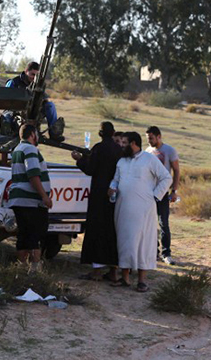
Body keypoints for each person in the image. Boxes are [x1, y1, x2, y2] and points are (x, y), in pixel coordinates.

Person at [109, 132, 172, 293]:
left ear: (134, 143)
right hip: (123, 207)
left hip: (144, 208)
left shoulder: (149, 159)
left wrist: (155, 196)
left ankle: (142, 280)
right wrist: (113, 188)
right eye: (120, 142)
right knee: (124, 241)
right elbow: (116, 179)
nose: (121, 146)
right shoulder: (121, 161)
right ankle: (125, 278)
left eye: (124, 143)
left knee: (143, 242)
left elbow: (166, 178)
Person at [71, 122, 122, 281]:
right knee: (112, 233)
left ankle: (96, 271)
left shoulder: (99, 148)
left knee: (96, 232)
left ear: (100, 133)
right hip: (115, 196)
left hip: (98, 196)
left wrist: (79, 160)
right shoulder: (119, 150)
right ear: (113, 133)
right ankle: (113, 271)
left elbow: (90, 169)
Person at [7, 124, 52, 270]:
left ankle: (21, 268)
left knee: (23, 234)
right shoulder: (30, 149)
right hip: (31, 201)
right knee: (35, 234)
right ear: (32, 134)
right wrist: (44, 196)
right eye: (37, 134)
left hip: (18, 199)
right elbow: (33, 174)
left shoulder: (17, 149)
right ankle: (35, 269)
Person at [145, 126, 180, 265]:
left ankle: (167, 253)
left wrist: (174, 190)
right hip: (148, 192)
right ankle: (154, 252)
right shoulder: (147, 151)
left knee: (163, 223)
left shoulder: (169, 150)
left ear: (159, 137)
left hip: (164, 192)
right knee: (150, 224)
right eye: (147, 139)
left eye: (151, 138)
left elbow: (176, 171)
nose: (149, 141)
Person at [5, 62, 62, 140]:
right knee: (7, 115)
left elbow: (44, 99)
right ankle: (8, 133)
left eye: (36, 75)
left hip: (33, 112)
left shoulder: (39, 85)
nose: (34, 77)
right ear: (26, 71)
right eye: (32, 74)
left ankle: (54, 133)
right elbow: (5, 99)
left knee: (50, 105)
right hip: (15, 112)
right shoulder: (14, 82)